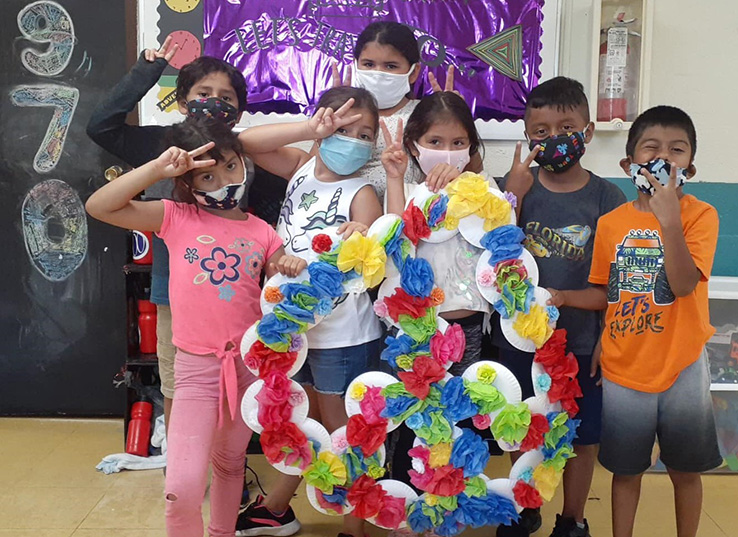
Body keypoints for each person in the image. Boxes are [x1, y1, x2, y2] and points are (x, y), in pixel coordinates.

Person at [86, 118, 307, 537]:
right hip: (195, 372)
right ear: (189, 184)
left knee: (229, 465)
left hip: (247, 369)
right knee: (182, 487)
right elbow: (99, 206)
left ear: (244, 163)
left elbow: (281, 276)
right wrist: (156, 169)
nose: (222, 180)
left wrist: (292, 264)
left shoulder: (263, 232)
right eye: (206, 175)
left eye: (229, 167)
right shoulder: (175, 216)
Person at [550, 105, 721, 537]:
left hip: (682, 365)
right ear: (630, 164)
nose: (664, 157)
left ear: (690, 167)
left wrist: (669, 221)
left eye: (677, 150)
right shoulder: (611, 223)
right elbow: (609, 292)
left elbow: (683, 285)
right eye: (652, 148)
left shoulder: (701, 216)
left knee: (685, 470)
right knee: (626, 472)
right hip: (624, 369)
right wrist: (565, 297)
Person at [234, 86, 383, 537]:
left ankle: (353, 527)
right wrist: (309, 131)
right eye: (345, 128)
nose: (355, 140)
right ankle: (278, 507)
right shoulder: (299, 166)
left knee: (345, 430)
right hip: (294, 334)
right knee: (307, 423)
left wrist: (362, 237)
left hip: (343, 336)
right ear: (324, 123)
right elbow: (243, 143)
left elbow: (373, 266)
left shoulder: (364, 193)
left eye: (366, 133)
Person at [86, 37, 249, 432]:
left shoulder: (245, 152)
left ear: (239, 111)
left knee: (234, 380)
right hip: (174, 289)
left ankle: (226, 464)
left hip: (236, 291)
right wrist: (147, 69)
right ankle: (181, 466)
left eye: (226, 98)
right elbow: (100, 126)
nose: (215, 101)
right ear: (182, 101)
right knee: (178, 382)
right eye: (204, 93)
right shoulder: (156, 146)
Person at [494, 77, 626, 537]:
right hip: (517, 339)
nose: (553, 139)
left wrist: (592, 324)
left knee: (582, 437)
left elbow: (614, 287)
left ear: (587, 133)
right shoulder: (511, 189)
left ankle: (572, 519)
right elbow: (493, 259)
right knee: (519, 423)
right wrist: (513, 196)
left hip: (582, 342)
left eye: (566, 127)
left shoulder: (608, 199)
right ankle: (522, 503)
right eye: (541, 131)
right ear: (527, 137)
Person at [380, 91, 494, 537]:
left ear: (470, 148)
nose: (447, 152)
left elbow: (497, 241)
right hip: (416, 331)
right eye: (435, 140)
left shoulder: (483, 192)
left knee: (459, 419)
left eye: (458, 142)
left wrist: (467, 190)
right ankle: (411, 514)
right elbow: (393, 246)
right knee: (415, 422)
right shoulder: (407, 191)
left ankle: (448, 512)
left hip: (466, 328)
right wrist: (394, 179)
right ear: (413, 145)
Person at [335, 21, 462, 201]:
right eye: (369, 64)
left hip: (407, 217)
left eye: (390, 66)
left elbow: (473, 171)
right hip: (344, 215)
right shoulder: (343, 114)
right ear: (356, 65)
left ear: (413, 72)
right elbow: (314, 168)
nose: (378, 73)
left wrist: (454, 115)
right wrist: (333, 118)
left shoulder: (426, 113)